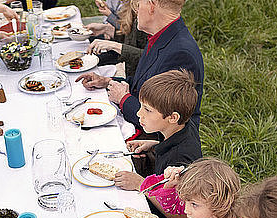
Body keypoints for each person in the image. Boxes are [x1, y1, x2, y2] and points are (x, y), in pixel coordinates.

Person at [76, 0, 204, 137]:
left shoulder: (180, 53)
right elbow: (143, 82)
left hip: (156, 145)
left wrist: (123, 99)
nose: (135, 10)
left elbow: (163, 122)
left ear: (151, 4)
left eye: (138, 4)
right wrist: (107, 81)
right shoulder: (162, 36)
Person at [111, 69, 201, 190]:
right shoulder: (181, 127)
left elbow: (174, 205)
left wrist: (140, 184)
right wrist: (154, 145)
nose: (139, 113)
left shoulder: (179, 160)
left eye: (147, 110)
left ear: (173, 117)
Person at [86, 0, 148, 77]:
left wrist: (115, 46)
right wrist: (107, 30)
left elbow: (150, 58)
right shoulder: (131, 7)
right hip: (132, 73)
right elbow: (132, 40)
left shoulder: (148, 15)